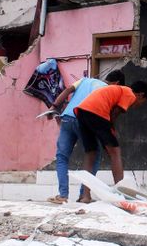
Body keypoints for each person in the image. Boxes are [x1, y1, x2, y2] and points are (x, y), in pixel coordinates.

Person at [46, 70, 125, 204]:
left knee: (62, 157)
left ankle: (63, 195)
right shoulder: (109, 90)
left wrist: (53, 107)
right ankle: (84, 195)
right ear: (117, 84)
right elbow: (108, 114)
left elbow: (67, 91)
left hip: (66, 118)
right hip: (84, 120)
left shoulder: (84, 80)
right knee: (93, 155)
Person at [75, 80, 147, 203]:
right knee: (115, 151)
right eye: (142, 102)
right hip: (97, 111)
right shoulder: (129, 93)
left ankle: (85, 196)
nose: (138, 105)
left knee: (91, 153)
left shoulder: (118, 90)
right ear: (141, 95)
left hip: (82, 111)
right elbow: (115, 113)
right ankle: (121, 195)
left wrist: (110, 129)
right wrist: (111, 128)